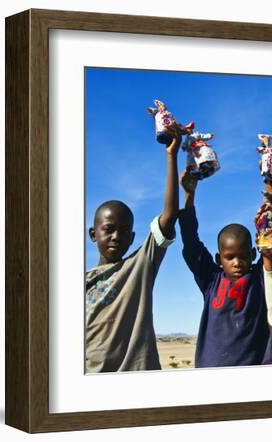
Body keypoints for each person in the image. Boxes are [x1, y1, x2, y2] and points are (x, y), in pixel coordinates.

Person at [85, 131, 181, 373]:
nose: (116, 236)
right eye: (108, 229)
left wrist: (171, 156)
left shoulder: (139, 266)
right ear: (92, 234)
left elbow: (168, 218)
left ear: (133, 238)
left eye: (124, 231)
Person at [178, 163, 272, 368]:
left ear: (253, 254)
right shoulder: (211, 280)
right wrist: (189, 197)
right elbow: (191, 243)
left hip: (255, 373)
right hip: (212, 374)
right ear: (219, 259)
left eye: (243, 256)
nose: (237, 262)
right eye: (230, 257)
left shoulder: (260, 278)